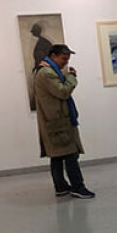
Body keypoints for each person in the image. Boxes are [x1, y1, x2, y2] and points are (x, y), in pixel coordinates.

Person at [34, 44, 95, 199]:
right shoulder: (47, 73)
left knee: (57, 156)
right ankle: (77, 187)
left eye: (67, 59)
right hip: (58, 121)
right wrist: (72, 77)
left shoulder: (48, 70)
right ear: (53, 56)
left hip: (55, 121)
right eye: (63, 59)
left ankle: (61, 187)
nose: (66, 62)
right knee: (70, 155)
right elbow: (63, 92)